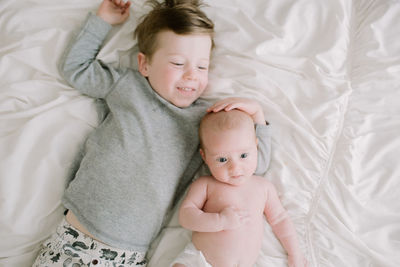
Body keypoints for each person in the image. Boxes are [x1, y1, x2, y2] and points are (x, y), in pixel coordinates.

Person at [32, 0, 271, 266]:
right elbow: (76, 68)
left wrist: (258, 117)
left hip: (130, 255)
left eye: (202, 67)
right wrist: (102, 21)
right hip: (74, 239)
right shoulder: (127, 87)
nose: (192, 75)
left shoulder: (205, 122)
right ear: (144, 65)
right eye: (178, 63)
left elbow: (248, 167)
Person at [171, 110, 306, 267]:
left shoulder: (264, 188)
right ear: (205, 157)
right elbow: (186, 217)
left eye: (243, 156)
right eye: (222, 159)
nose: (235, 168)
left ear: (256, 146)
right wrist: (220, 221)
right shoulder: (205, 185)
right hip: (200, 260)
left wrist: (294, 253)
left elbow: (280, 219)